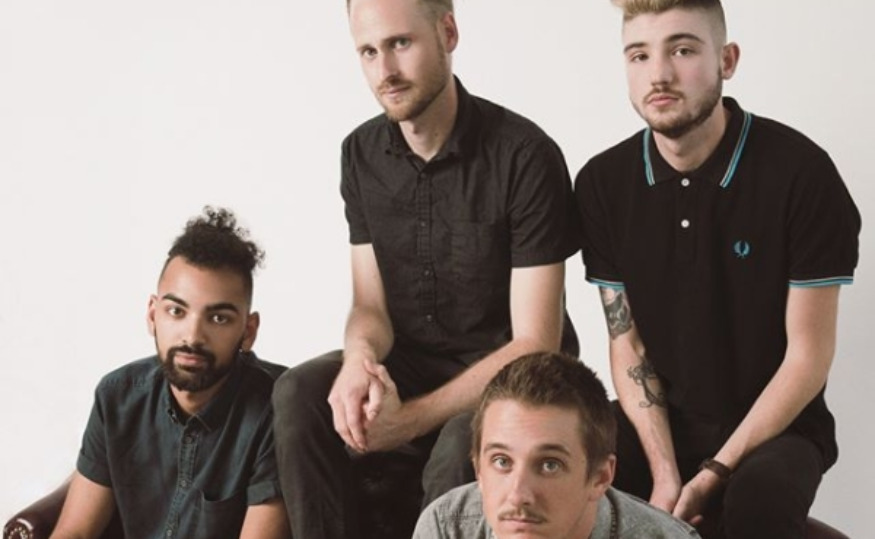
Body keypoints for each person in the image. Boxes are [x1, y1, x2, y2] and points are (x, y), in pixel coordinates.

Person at [270, 0, 579, 537]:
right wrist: (359, 358)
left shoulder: (525, 155)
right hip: (409, 362)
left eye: (400, 44)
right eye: (369, 52)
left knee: (459, 447)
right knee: (297, 394)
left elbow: (536, 342)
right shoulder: (360, 153)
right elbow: (370, 306)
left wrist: (406, 423)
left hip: (510, 375)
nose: (385, 71)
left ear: (448, 32)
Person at [574, 1, 861, 537]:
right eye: (639, 55)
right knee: (564, 466)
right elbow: (627, 344)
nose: (659, 74)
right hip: (662, 423)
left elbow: (808, 356)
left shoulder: (801, 174)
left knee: (756, 502)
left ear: (726, 60)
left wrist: (713, 472)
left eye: (682, 50)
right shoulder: (602, 184)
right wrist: (665, 473)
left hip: (779, 428)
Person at [49, 207, 290, 539]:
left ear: (248, 331)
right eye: (176, 311)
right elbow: (75, 532)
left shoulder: (278, 410)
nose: (192, 336)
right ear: (153, 315)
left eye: (218, 318)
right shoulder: (117, 396)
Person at [413, 351, 700, 538]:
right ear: (478, 469)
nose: (518, 495)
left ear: (601, 477)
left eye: (550, 465)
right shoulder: (446, 527)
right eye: (502, 461)